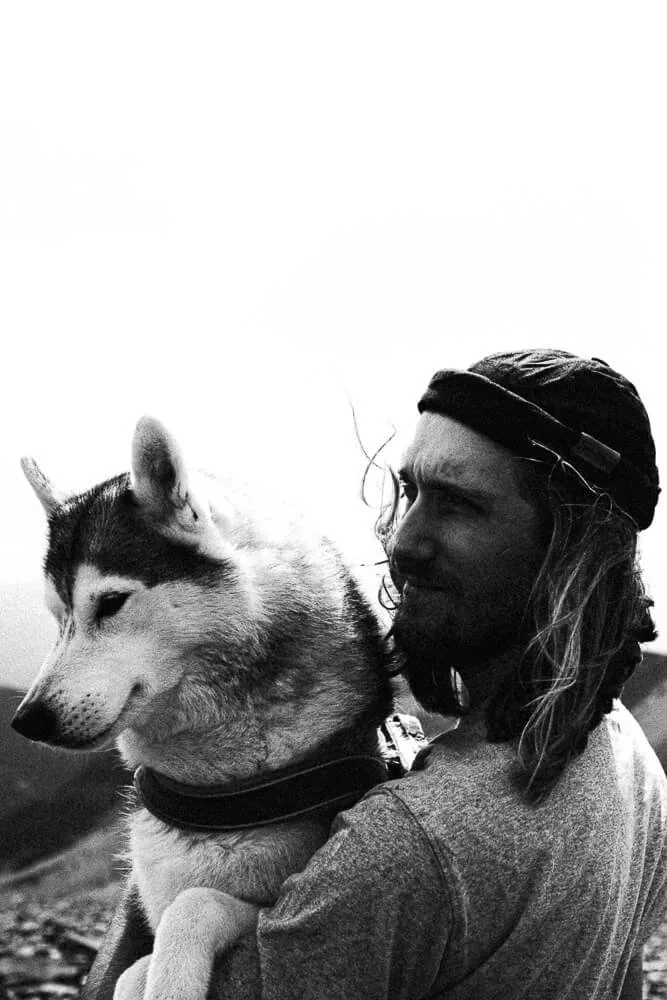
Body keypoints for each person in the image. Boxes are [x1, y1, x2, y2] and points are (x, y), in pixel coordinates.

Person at [90, 349, 667, 999]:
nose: (404, 540)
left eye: (459, 504)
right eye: (411, 491)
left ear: (570, 548)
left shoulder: (408, 847)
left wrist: (176, 810)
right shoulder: (629, 758)